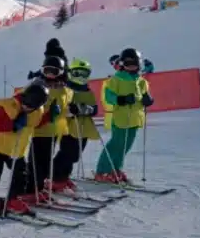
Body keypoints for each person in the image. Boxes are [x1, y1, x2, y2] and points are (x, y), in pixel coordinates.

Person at [0, 82, 51, 215]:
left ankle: (13, 200)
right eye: (26, 103)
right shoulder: (7, 105)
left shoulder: (37, 111)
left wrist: (50, 115)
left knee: (21, 174)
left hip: (15, 148)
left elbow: (35, 123)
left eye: (31, 106)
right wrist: (14, 124)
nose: (27, 107)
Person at [95, 48, 153, 183]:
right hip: (121, 118)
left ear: (139, 64)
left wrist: (148, 99)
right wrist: (121, 99)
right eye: (127, 63)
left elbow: (145, 94)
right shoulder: (116, 80)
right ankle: (102, 170)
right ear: (122, 64)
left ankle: (116, 169)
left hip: (135, 119)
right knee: (116, 145)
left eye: (134, 63)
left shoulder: (142, 81)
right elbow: (108, 96)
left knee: (126, 146)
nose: (131, 66)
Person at [50, 59, 99, 193]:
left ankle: (64, 177)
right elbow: (57, 108)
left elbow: (94, 109)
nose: (80, 77)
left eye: (84, 74)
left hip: (83, 128)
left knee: (75, 156)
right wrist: (70, 111)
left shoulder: (88, 91)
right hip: (68, 128)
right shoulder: (65, 89)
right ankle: (54, 177)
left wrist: (84, 109)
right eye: (77, 73)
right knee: (66, 154)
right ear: (70, 72)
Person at [25, 56, 71, 198]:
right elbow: (28, 105)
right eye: (47, 70)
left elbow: (64, 107)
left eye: (54, 71)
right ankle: (31, 189)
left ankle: (39, 187)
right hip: (39, 130)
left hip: (54, 130)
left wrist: (72, 109)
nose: (50, 74)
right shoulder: (37, 85)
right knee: (36, 162)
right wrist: (47, 113)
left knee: (46, 162)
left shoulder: (63, 88)